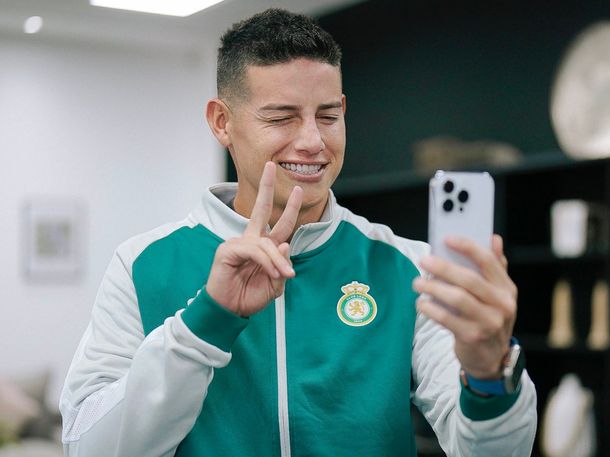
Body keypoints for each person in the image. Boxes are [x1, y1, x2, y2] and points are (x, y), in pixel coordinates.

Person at [60, 8, 536, 457]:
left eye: (328, 116)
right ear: (222, 123)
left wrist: (488, 376)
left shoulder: (409, 266)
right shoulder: (142, 264)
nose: (312, 141)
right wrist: (206, 321)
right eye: (281, 117)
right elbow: (88, 447)